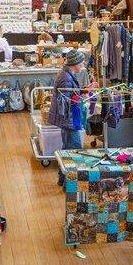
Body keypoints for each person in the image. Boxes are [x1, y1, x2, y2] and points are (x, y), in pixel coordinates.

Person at [48, 50, 87, 186]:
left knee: (67, 149)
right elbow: (65, 103)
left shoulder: (67, 75)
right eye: (81, 61)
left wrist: (84, 91)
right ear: (75, 63)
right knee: (75, 150)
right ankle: (70, 184)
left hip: (67, 119)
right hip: (68, 120)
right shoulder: (66, 78)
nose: (83, 64)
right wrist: (81, 97)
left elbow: (70, 96)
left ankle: (63, 179)